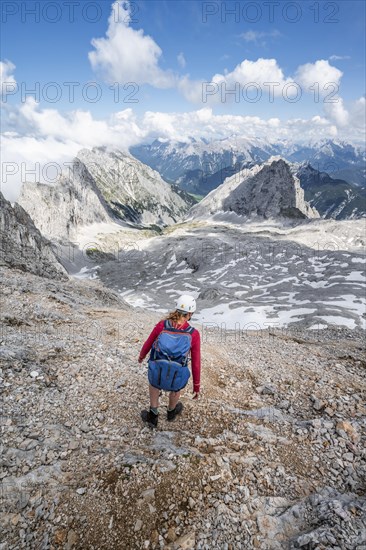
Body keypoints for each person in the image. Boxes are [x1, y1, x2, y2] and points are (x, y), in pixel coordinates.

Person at [138, 294, 201, 428]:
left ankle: (153, 415)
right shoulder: (193, 334)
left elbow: (148, 343)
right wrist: (196, 385)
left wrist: (142, 356)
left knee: (154, 382)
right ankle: (171, 412)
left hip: (158, 371)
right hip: (176, 375)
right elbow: (196, 361)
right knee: (176, 384)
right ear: (190, 314)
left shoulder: (162, 325)